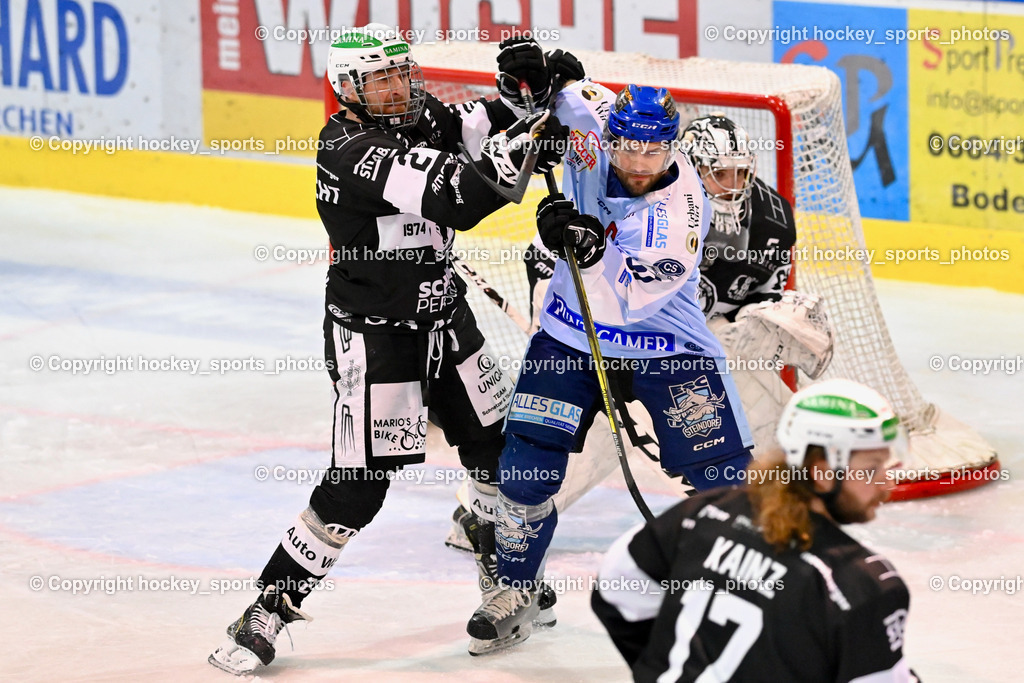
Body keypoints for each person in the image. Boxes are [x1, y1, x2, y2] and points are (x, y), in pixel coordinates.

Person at [208, 25, 569, 675]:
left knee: (495, 450)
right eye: (381, 79)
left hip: (445, 319)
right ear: (348, 89)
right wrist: (534, 133)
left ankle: (505, 578)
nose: (399, 87)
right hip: (375, 339)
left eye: (402, 73)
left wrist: (526, 95)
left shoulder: (416, 113)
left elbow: (475, 121)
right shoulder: (350, 148)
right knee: (359, 486)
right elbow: (460, 196)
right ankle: (268, 605)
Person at [464, 41, 756, 655]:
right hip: (569, 335)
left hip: (665, 348)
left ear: (674, 147)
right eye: (628, 146)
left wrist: (569, 239)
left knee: (723, 479)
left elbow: (623, 299)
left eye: (655, 149)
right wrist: (539, 85)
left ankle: (740, 598)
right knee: (525, 469)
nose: (640, 160)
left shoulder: (679, 213)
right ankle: (515, 587)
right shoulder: (599, 118)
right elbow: (565, 99)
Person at [445, 114, 833, 550]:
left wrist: (760, 324)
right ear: (690, 166)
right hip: (611, 338)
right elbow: (549, 261)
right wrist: (556, 327)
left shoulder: (773, 217)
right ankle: (490, 516)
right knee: (593, 436)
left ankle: (774, 520)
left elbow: (760, 292)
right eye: (719, 173)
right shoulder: (649, 203)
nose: (732, 183)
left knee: (771, 413)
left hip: (690, 349)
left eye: (741, 172)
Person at [592, 379, 918, 683]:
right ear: (821, 472)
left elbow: (615, 586)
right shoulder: (861, 586)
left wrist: (661, 669)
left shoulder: (703, 513)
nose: (887, 482)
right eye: (871, 468)